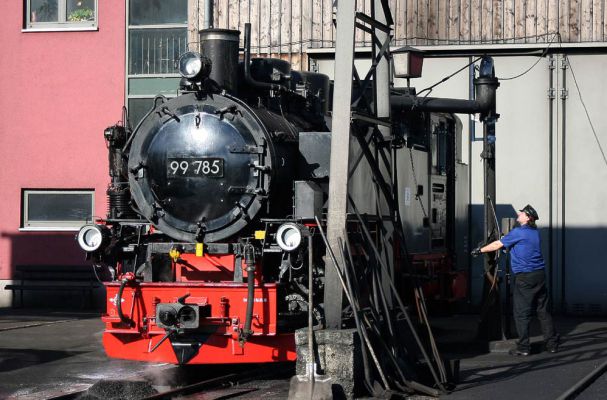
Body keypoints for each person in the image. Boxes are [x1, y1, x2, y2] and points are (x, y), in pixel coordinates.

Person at [471, 204, 559, 356]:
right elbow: (520, 247)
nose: (519, 214)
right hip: (539, 275)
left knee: (521, 313)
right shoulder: (534, 233)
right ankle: (552, 344)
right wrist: (508, 246)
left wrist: (479, 250)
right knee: (543, 311)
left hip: (524, 277)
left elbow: (497, 244)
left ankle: (523, 347)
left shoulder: (518, 232)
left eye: (522, 213)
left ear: (528, 218)